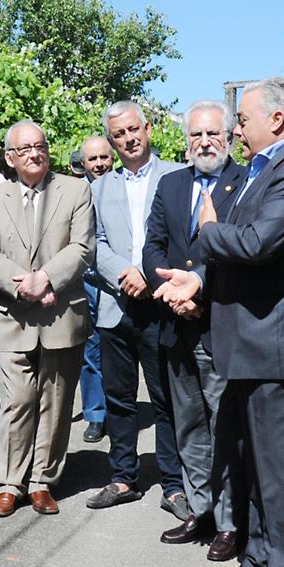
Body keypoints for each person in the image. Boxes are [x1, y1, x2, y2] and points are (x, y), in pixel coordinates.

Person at [155, 78, 284, 567]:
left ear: (277, 120)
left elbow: (256, 244)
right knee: (256, 465)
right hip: (253, 345)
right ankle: (261, 559)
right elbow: (241, 255)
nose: (238, 127)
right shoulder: (264, 169)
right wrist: (199, 284)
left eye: (244, 118)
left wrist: (207, 231)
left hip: (283, 348)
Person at [0, 120, 95, 517]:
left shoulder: (75, 190)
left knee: (56, 402)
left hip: (62, 312)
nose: (33, 153)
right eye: (24, 148)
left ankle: (43, 480)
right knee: (18, 400)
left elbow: (82, 246)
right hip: (13, 314)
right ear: (9, 157)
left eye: (39, 145)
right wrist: (22, 285)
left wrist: (46, 278)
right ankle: (10, 482)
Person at [142, 101, 247, 559]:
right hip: (174, 325)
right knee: (188, 426)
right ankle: (200, 511)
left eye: (212, 134)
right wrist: (168, 291)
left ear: (228, 136)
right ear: (185, 141)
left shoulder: (243, 183)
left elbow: (236, 250)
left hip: (219, 324)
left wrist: (196, 294)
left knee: (224, 425)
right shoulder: (170, 184)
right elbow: (153, 245)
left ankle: (228, 522)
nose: (204, 143)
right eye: (195, 135)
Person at [87, 101, 185, 514]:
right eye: (118, 135)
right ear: (111, 141)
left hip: (161, 302)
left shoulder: (176, 178)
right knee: (119, 397)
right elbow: (93, 244)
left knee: (166, 399)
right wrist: (125, 273)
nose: (128, 139)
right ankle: (123, 476)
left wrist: (149, 275)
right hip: (116, 303)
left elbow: (182, 237)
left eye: (133, 130)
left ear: (147, 128)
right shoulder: (98, 188)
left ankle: (174, 485)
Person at [77, 134, 112, 444]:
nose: (100, 164)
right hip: (85, 281)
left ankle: (121, 409)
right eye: (93, 159)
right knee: (91, 351)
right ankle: (95, 414)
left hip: (117, 280)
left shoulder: (120, 189)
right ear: (83, 163)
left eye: (104, 157)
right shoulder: (75, 193)